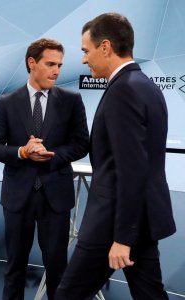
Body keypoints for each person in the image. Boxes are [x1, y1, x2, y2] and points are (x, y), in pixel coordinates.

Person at [55, 12, 176, 300]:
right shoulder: (147, 86)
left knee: (67, 296)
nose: (84, 60)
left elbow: (131, 170)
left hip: (113, 224)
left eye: (86, 51)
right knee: (150, 295)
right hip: (142, 218)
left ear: (106, 47)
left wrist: (123, 238)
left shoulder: (124, 91)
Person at [0, 38, 89, 300]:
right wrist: (22, 152)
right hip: (18, 197)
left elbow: (81, 144)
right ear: (32, 63)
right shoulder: (7, 102)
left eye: (60, 65)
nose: (56, 70)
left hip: (56, 197)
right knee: (14, 269)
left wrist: (51, 157)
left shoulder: (72, 101)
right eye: (50, 64)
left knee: (58, 271)